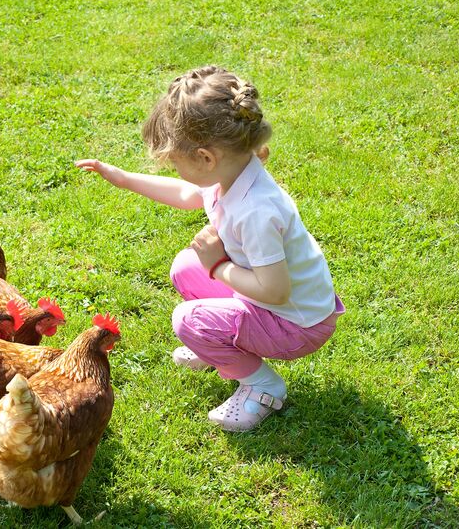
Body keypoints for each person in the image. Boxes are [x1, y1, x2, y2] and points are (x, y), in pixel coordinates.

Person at [75, 66, 344, 431]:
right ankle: (222, 347)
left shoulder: (256, 212)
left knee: (188, 320)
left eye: (175, 161)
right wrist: (123, 179)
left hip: (297, 324)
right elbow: (188, 194)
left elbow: (276, 291)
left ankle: (262, 386)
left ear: (205, 158)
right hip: (277, 305)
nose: (174, 168)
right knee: (186, 267)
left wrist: (217, 266)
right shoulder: (233, 174)